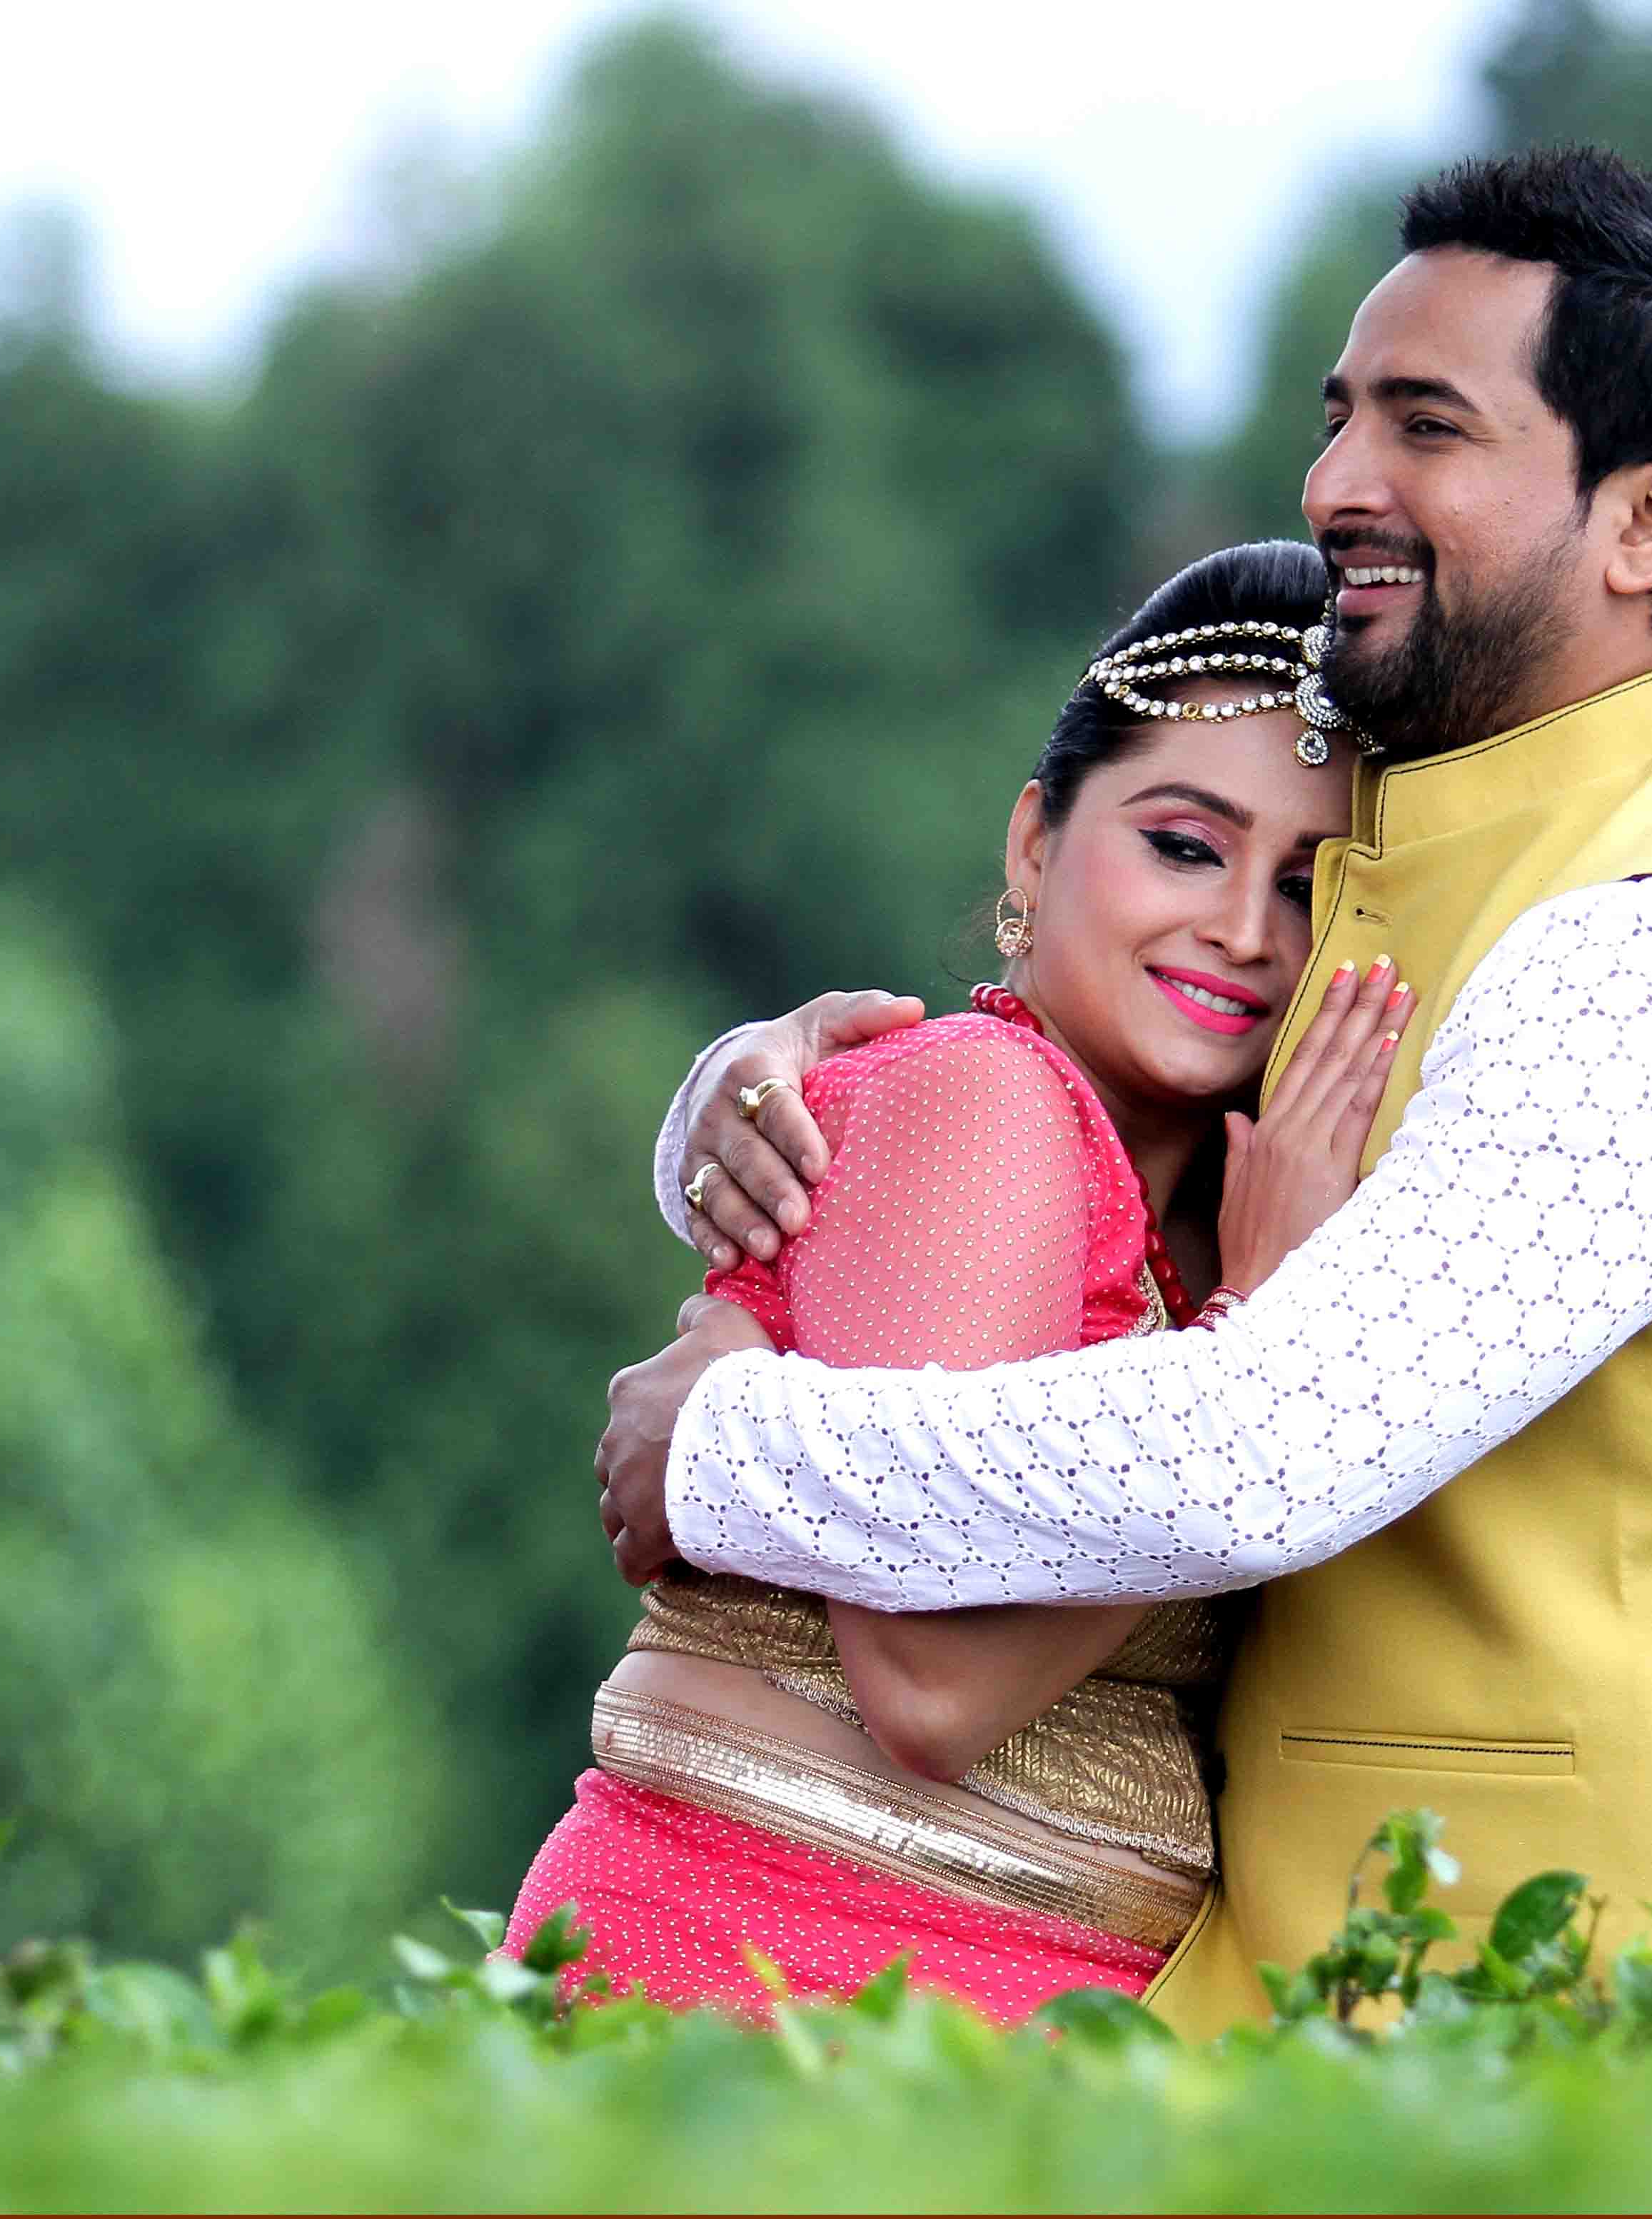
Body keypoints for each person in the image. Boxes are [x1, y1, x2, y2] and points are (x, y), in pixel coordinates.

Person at [596, 146, 1652, 2036]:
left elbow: (1262, 1446)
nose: (1335, 483)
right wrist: (744, 1100)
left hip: (1556, 2032)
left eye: (1425, 426)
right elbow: (1062, 1138)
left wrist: (722, 1448)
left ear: (1643, 522)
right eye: (1336, 414)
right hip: (1264, 2011)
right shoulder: (1409, 867)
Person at [507, 543, 1407, 2018]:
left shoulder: (1229, 1214)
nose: (1247, 931)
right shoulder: (984, 1102)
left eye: (1310, 887)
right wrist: (1256, 1342)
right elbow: (933, 1686)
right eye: (1186, 846)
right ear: (1035, 844)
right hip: (772, 1988)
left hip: (1013, 2018)